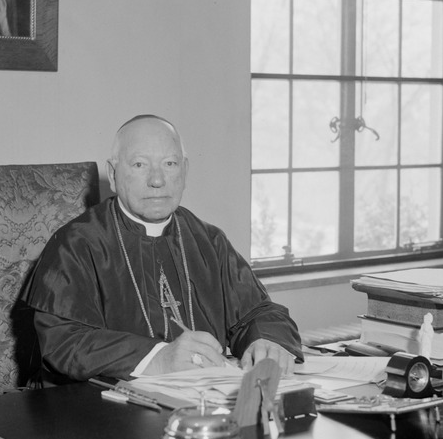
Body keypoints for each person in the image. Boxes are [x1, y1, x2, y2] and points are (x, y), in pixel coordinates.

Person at [20, 115, 303, 382]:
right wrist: (158, 358)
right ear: (113, 172)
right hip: (108, 409)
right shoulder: (77, 243)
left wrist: (267, 341)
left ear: (185, 170)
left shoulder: (208, 240)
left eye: (170, 164)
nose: (157, 180)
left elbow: (259, 312)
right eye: (140, 165)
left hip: (206, 404)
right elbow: (63, 341)